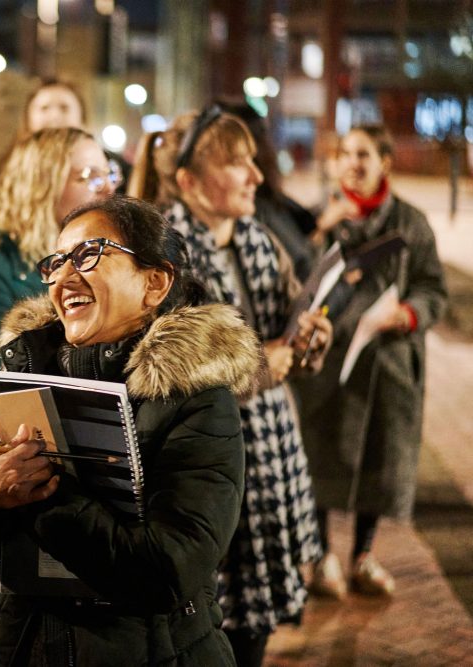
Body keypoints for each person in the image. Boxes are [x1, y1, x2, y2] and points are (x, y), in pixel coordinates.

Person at [0, 196, 262, 665]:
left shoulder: (197, 399)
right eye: (56, 262)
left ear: (154, 282)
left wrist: (44, 493)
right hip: (15, 645)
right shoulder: (23, 372)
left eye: (89, 254)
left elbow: (168, 571)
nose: (65, 277)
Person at [130, 104, 333, 666]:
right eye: (238, 164)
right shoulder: (164, 258)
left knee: (256, 629)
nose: (257, 176)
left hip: (269, 457)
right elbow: (163, 370)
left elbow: (287, 324)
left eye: (252, 161)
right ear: (190, 181)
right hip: (206, 464)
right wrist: (262, 363)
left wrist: (311, 337)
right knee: (202, 626)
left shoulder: (259, 239)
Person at [295, 124, 447, 598]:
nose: (353, 163)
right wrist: (320, 231)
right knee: (319, 456)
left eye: (364, 154)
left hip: (388, 365)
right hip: (326, 365)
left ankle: (362, 554)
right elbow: (295, 280)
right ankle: (320, 557)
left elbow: (432, 288)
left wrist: (407, 314)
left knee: (381, 460)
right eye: (345, 154)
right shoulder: (317, 219)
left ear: (385, 162)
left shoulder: (411, 222)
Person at [0, 126, 117, 466]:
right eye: (88, 175)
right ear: (42, 186)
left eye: (108, 172)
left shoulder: (100, 267)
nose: (108, 187)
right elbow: (7, 391)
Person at [212, 97, 317, 281]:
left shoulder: (264, 203)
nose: (256, 176)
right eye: (236, 161)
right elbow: (301, 266)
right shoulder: (255, 209)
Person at [20, 78, 129, 194]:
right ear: (28, 117)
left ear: (82, 117)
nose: (54, 116)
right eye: (44, 108)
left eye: (64, 108)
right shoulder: (13, 165)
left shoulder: (112, 164)